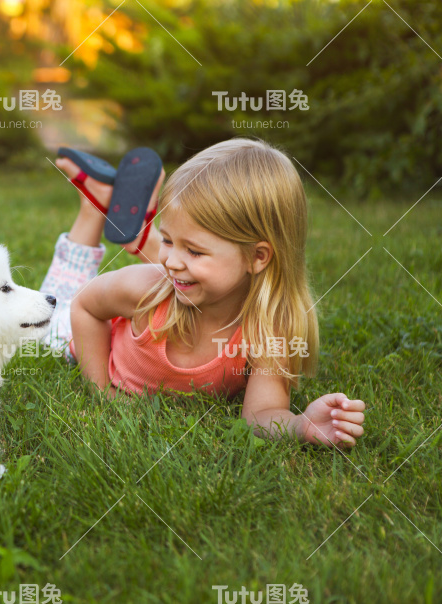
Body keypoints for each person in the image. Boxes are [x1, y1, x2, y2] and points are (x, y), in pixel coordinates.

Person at [41, 139, 366, 448]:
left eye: (194, 250)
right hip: (73, 333)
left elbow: (260, 415)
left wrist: (300, 425)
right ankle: (94, 207)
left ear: (257, 257)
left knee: (174, 271)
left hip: (178, 291)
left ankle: (123, 217)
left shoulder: (268, 329)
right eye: (167, 241)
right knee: (52, 309)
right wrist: (100, 390)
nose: (171, 260)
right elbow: (84, 305)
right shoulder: (145, 290)